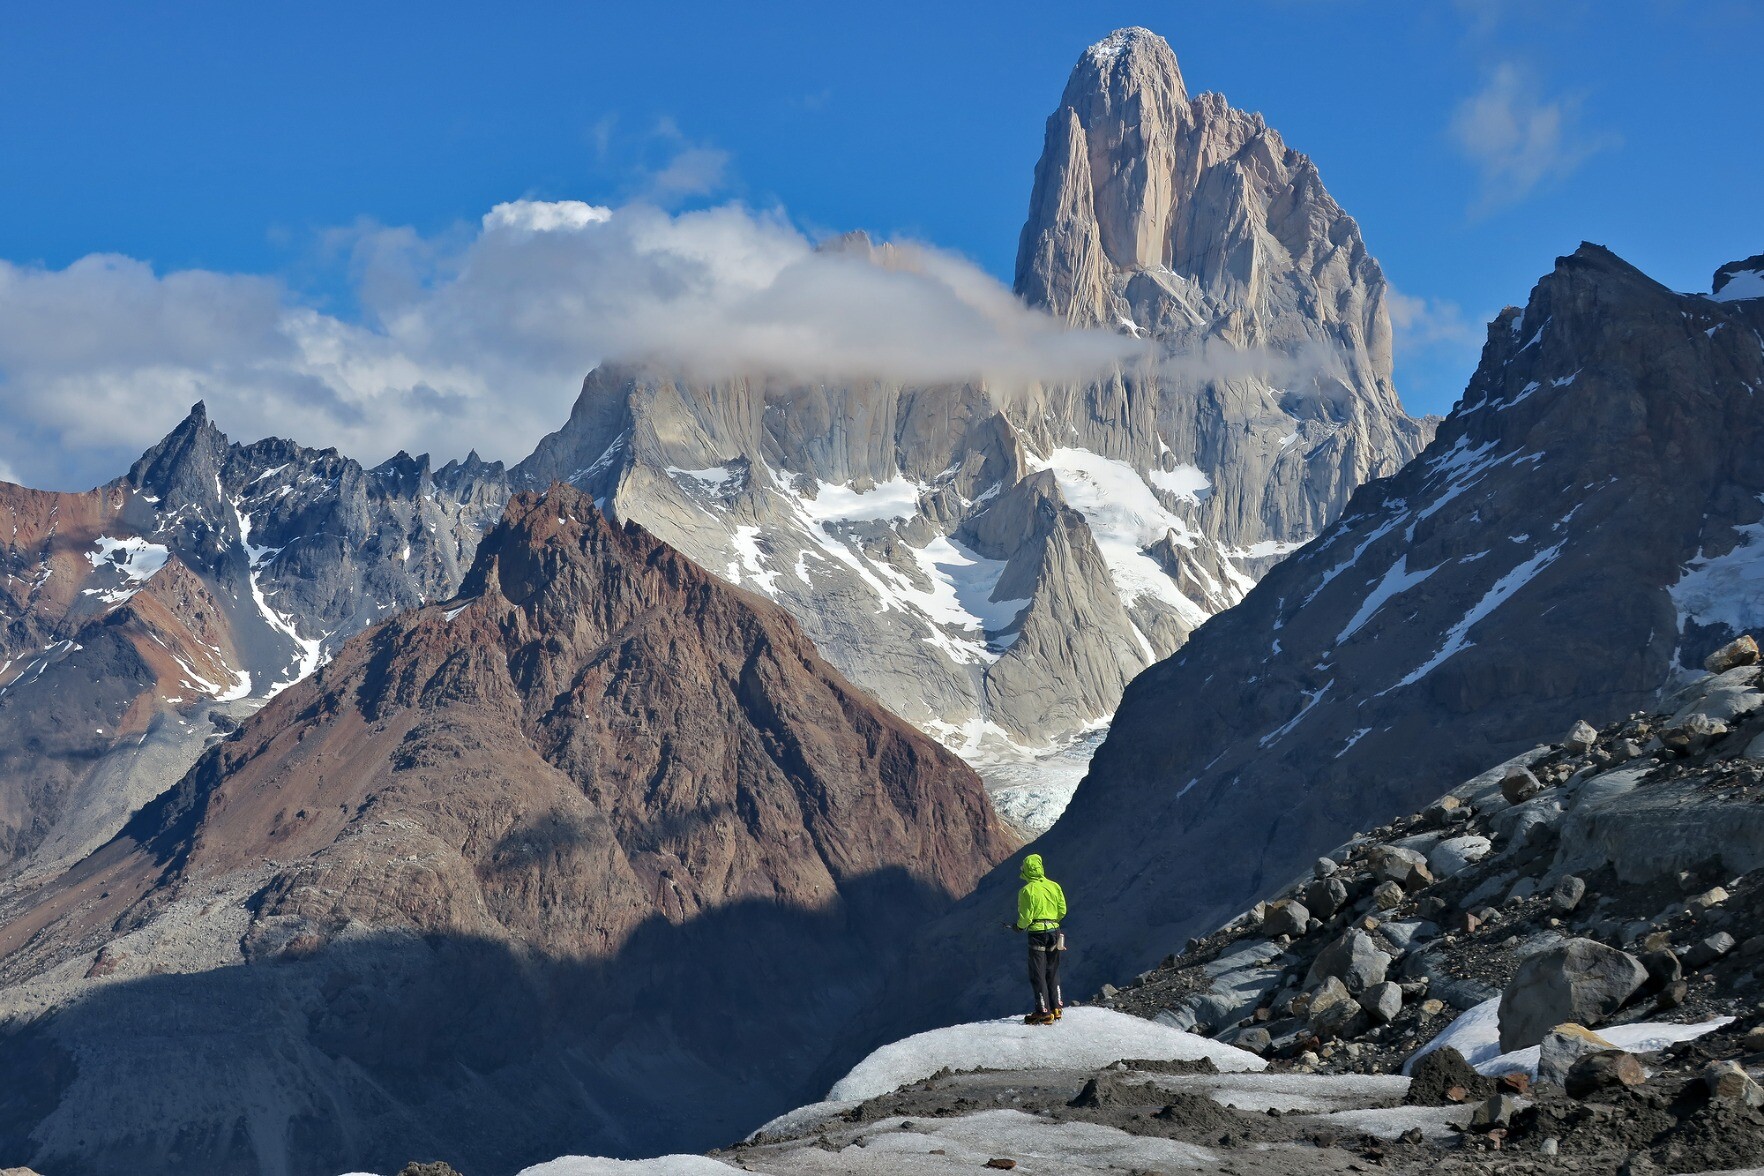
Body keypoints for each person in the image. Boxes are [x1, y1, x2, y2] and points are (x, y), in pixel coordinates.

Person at [1006, 853, 1067, 1025]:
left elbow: (1025, 917)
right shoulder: (1054, 886)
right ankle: (1057, 1007)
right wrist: (1052, 920)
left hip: (1037, 934)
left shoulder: (1027, 891)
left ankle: (1043, 1012)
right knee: (1052, 971)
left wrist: (1018, 927)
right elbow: (1062, 910)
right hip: (1054, 931)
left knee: (1038, 973)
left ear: (1026, 870)